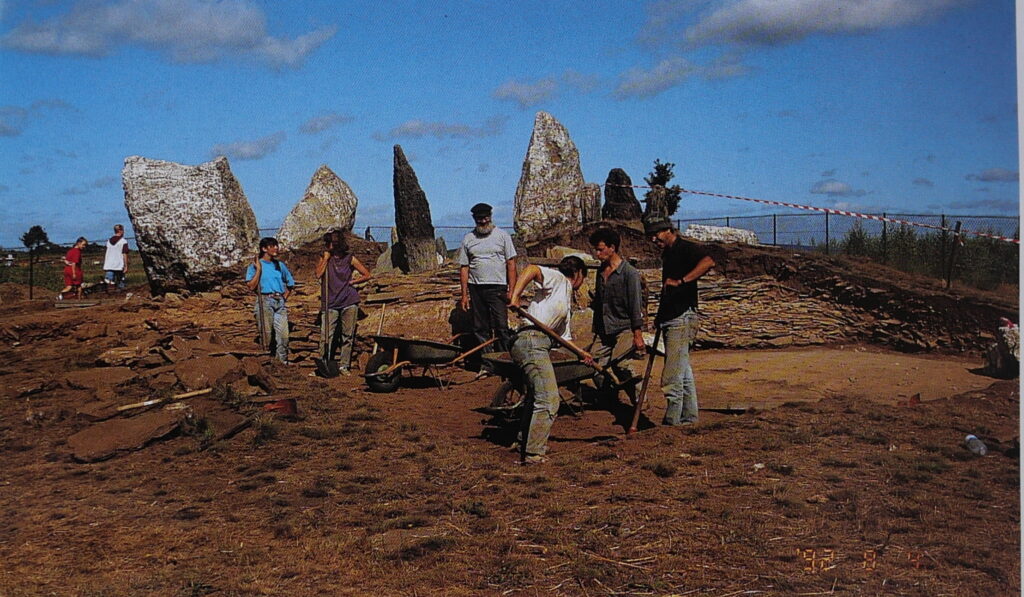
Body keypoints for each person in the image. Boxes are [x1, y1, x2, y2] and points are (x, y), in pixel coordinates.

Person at [508, 256, 588, 464]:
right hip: (530, 339)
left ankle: (523, 441)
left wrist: (583, 355)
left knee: (537, 397)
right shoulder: (559, 279)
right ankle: (534, 454)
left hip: (540, 343)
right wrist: (515, 295)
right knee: (549, 399)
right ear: (579, 274)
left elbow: (564, 340)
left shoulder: (565, 301)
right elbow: (532, 269)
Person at [645, 217, 715, 426]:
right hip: (670, 315)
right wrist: (659, 317)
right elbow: (668, 288)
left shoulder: (685, 248)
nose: (653, 239)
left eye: (656, 233)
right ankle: (689, 418)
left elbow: (708, 262)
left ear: (668, 230)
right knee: (682, 369)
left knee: (672, 374)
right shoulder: (668, 253)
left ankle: (672, 421)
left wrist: (683, 281)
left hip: (682, 316)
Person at [588, 227, 645, 402]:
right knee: (594, 364)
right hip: (605, 329)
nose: (597, 254)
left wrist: (637, 335)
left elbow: (636, 305)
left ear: (612, 248)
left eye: (600, 249)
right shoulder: (601, 272)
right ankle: (610, 397)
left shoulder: (629, 274)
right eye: (596, 250)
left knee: (621, 364)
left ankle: (639, 400)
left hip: (624, 327)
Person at [458, 203, 517, 362]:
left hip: (497, 287)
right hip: (476, 288)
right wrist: (464, 295)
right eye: (479, 219)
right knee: (480, 327)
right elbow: (464, 268)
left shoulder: (502, 236)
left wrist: (512, 290)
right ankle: (488, 361)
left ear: (490, 216)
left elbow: (511, 264)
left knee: (501, 326)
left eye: (485, 218)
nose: (483, 222)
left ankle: (505, 360)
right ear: (474, 219)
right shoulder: (468, 239)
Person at [315, 230, 372, 375]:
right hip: (330, 301)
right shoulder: (324, 257)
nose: (327, 246)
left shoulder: (349, 258)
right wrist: (326, 259)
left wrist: (353, 282)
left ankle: (344, 365)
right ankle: (324, 362)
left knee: (347, 335)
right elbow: (318, 275)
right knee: (326, 335)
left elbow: (367, 274)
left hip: (348, 299)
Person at [245, 237, 296, 364]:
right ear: (264, 249)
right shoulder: (254, 266)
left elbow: (290, 284)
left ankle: (282, 363)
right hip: (264, 301)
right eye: (272, 246)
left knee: (283, 336)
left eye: (276, 245)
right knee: (266, 334)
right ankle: (267, 362)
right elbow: (251, 286)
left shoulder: (280, 265)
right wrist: (259, 270)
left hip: (279, 301)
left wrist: (284, 297)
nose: (276, 248)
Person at [102, 224, 129, 291]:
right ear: (120, 231)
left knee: (109, 281)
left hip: (109, 264)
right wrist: (126, 265)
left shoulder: (108, 241)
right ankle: (120, 292)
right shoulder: (123, 241)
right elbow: (124, 253)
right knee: (120, 280)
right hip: (119, 264)